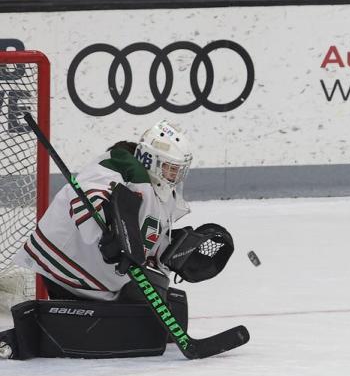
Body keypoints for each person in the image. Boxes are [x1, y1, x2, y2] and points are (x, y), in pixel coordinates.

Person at [0, 120, 234, 360]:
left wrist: (176, 251)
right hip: (70, 261)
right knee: (135, 323)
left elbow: (147, 237)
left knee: (159, 301)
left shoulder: (162, 192)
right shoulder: (120, 167)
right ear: (149, 159)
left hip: (101, 268)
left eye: (178, 170)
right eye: (170, 168)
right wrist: (110, 231)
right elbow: (86, 199)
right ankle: (22, 339)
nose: (174, 175)